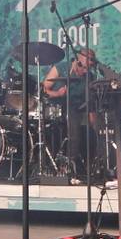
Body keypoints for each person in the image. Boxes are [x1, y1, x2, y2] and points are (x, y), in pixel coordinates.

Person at [43, 47, 103, 179]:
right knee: (73, 128)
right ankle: (69, 166)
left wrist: (94, 122)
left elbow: (90, 101)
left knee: (93, 131)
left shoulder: (90, 76)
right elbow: (43, 89)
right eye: (84, 67)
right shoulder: (60, 68)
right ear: (78, 60)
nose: (85, 71)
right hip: (59, 108)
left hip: (80, 109)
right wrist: (57, 93)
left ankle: (90, 167)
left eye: (89, 68)